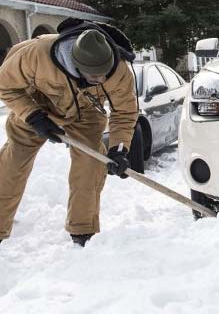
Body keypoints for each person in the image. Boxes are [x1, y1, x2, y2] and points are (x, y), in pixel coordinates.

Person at [0, 20, 138, 247]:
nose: (102, 80)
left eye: (105, 75)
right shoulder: (37, 53)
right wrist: (33, 115)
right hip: (36, 103)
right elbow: (5, 85)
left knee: (90, 163)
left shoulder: (119, 70)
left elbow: (124, 111)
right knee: (13, 162)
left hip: (86, 111)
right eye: (95, 78)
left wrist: (119, 149)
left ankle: (83, 230)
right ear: (76, 65)